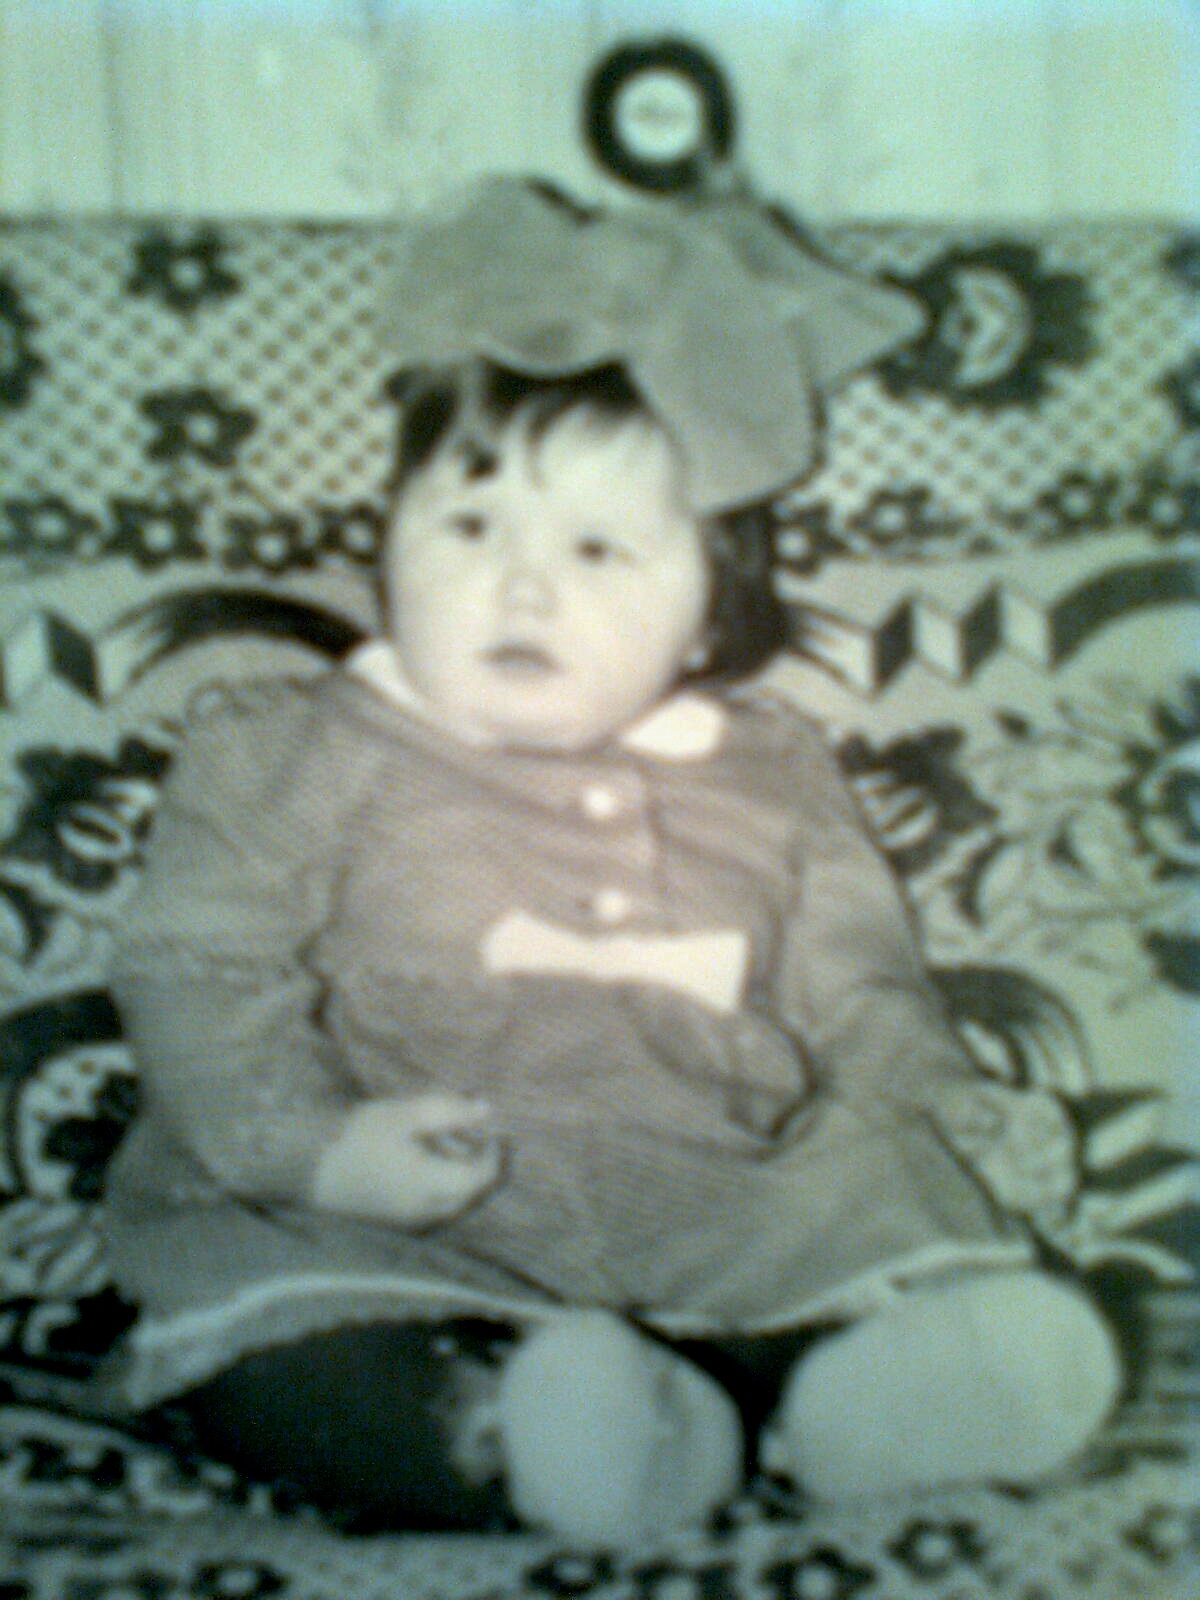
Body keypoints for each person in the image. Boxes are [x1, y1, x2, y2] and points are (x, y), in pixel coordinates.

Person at [99, 179, 1121, 1545]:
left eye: (598, 549)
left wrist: (945, 1107)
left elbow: (858, 986)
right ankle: (500, 1430)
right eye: (470, 526)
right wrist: (313, 1147)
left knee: (863, 1212)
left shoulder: (772, 769)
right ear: (389, 542)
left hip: (713, 1194)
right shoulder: (287, 743)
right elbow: (196, 962)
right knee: (287, 1337)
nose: (523, 586)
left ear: (707, 614)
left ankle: (841, 1405)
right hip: (394, 1210)